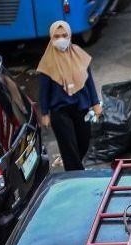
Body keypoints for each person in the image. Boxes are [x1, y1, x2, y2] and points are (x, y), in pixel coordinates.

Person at [37, 21, 102, 172]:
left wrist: (95, 103)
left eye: (64, 35)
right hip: (60, 112)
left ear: (70, 35)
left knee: (83, 141)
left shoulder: (79, 54)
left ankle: (71, 163)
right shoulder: (48, 62)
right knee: (69, 145)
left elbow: (89, 81)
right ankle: (76, 174)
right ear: (51, 38)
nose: (61, 39)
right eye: (57, 36)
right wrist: (45, 113)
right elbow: (44, 91)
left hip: (81, 106)